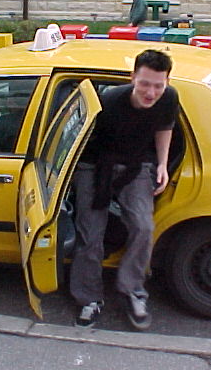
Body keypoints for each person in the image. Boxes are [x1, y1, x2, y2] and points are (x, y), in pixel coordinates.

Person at [69, 49, 179, 331]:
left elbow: (165, 128)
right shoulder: (109, 101)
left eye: (158, 85)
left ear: (167, 82)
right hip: (96, 165)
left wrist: (163, 164)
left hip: (136, 163)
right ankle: (89, 298)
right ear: (132, 79)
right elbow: (80, 138)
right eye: (144, 84)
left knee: (143, 227)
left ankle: (132, 290)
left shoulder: (169, 98)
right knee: (90, 233)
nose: (151, 93)